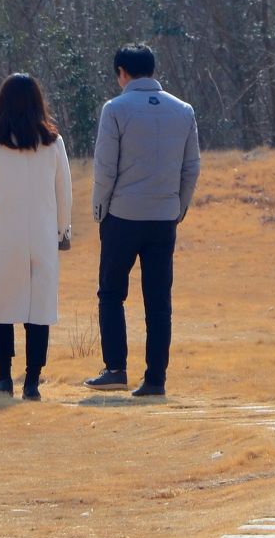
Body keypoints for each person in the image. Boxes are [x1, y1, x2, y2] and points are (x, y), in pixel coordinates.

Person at [83, 44, 200, 397]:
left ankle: (116, 368)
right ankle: (155, 379)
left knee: (111, 293)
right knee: (158, 300)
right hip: (164, 216)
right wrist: (178, 207)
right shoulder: (183, 110)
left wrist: (99, 208)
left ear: (122, 72)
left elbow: (105, 168)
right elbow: (191, 167)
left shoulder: (115, 109)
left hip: (123, 214)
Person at [0, 72, 74, 400]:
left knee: (1, 306)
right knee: (38, 310)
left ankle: (4, 378)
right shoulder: (54, 143)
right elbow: (64, 192)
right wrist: (63, 230)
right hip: (41, 235)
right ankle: (33, 383)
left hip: (3, 236)